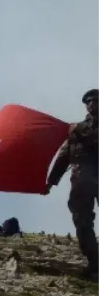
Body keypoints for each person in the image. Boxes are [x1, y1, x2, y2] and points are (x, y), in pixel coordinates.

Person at [46, 90, 99, 275]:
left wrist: (81, 130)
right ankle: (94, 262)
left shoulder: (79, 129)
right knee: (82, 221)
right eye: (89, 102)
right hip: (81, 182)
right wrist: (51, 181)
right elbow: (64, 156)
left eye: (96, 101)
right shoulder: (76, 130)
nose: (92, 105)